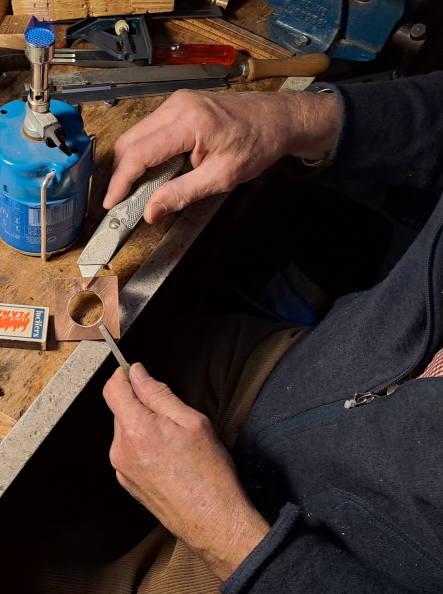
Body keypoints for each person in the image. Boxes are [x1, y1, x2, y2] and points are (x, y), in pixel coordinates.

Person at [99, 72, 443, 593]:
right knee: (103, 393)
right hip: (311, 371)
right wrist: (304, 118)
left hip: (291, 559)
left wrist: (227, 537)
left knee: (22, 564)